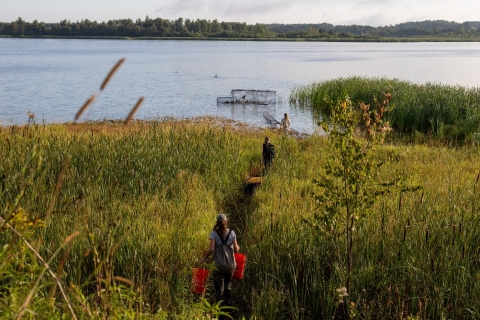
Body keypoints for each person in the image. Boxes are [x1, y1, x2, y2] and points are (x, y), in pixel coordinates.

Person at [201, 214, 240, 307]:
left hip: (219, 265)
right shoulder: (232, 233)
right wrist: (238, 246)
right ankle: (229, 299)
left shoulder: (214, 233)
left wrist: (204, 258)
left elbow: (211, 249)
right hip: (230, 265)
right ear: (226, 222)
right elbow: (236, 249)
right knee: (228, 282)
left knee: (219, 288)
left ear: (217, 223)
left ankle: (220, 308)